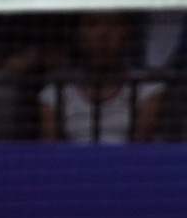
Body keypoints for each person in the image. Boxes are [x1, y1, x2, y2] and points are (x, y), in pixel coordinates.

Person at [37, 12, 163, 143]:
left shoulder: (147, 88)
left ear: (127, 32)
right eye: (92, 24)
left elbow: (140, 146)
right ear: (78, 34)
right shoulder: (55, 93)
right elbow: (51, 148)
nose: (103, 34)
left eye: (114, 24)